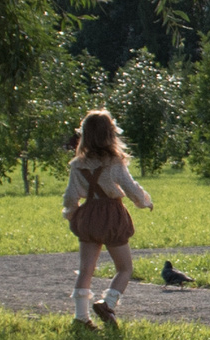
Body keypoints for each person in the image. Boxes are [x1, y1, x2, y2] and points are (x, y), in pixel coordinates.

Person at [63, 108, 154, 328]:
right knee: (124, 268)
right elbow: (131, 188)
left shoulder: (77, 164)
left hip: (89, 215)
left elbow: (71, 196)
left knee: (86, 269)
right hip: (112, 215)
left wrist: (72, 214)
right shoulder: (115, 162)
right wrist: (145, 202)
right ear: (110, 134)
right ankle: (108, 302)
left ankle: (81, 317)